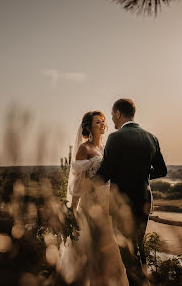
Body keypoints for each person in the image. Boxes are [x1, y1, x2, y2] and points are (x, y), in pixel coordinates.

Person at [96, 99, 167, 286]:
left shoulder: (115, 137)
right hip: (144, 201)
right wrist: (141, 174)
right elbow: (162, 170)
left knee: (127, 252)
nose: (112, 119)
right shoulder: (152, 138)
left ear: (118, 113)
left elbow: (105, 173)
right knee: (139, 247)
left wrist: (89, 183)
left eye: (112, 115)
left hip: (121, 204)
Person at [56, 110, 129, 286]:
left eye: (103, 121)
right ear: (88, 127)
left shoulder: (105, 148)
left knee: (109, 247)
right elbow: (79, 181)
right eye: (98, 122)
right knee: (92, 247)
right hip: (91, 203)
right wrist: (73, 209)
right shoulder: (84, 148)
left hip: (108, 203)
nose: (103, 124)